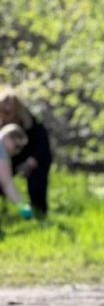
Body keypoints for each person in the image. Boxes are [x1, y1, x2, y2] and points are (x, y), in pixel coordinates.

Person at [0, 89, 52, 218]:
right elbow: (7, 183)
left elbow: (43, 151)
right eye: (3, 111)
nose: (6, 114)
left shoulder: (34, 127)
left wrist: (31, 161)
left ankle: (39, 210)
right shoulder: (2, 146)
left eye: (8, 111)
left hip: (33, 160)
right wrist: (21, 206)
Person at [0, 123, 34, 220]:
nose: (17, 151)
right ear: (7, 137)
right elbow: (7, 183)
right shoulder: (1, 150)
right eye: (16, 146)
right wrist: (22, 206)